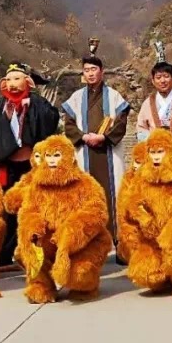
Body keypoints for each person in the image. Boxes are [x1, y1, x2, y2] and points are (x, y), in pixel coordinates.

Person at [0, 62, 59, 268]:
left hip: (31, 166)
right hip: (9, 166)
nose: (13, 84)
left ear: (27, 81)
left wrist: (34, 102)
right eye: (9, 80)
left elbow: (51, 120)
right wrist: (5, 118)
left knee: (35, 209)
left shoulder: (37, 102)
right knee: (8, 210)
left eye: (17, 79)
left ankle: (37, 251)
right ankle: (6, 255)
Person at [62, 45, 130, 243]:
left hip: (108, 152)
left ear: (102, 72)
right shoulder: (76, 98)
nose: (90, 74)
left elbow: (121, 122)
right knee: (86, 196)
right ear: (83, 73)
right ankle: (89, 241)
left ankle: (119, 241)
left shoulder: (114, 96)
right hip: (85, 152)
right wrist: (83, 137)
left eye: (94, 69)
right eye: (87, 70)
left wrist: (104, 138)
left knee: (115, 194)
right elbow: (69, 124)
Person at [135, 53, 172, 141]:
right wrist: (153, 139)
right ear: (153, 81)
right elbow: (140, 129)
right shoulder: (147, 103)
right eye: (158, 77)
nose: (162, 81)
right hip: (155, 150)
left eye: (166, 76)